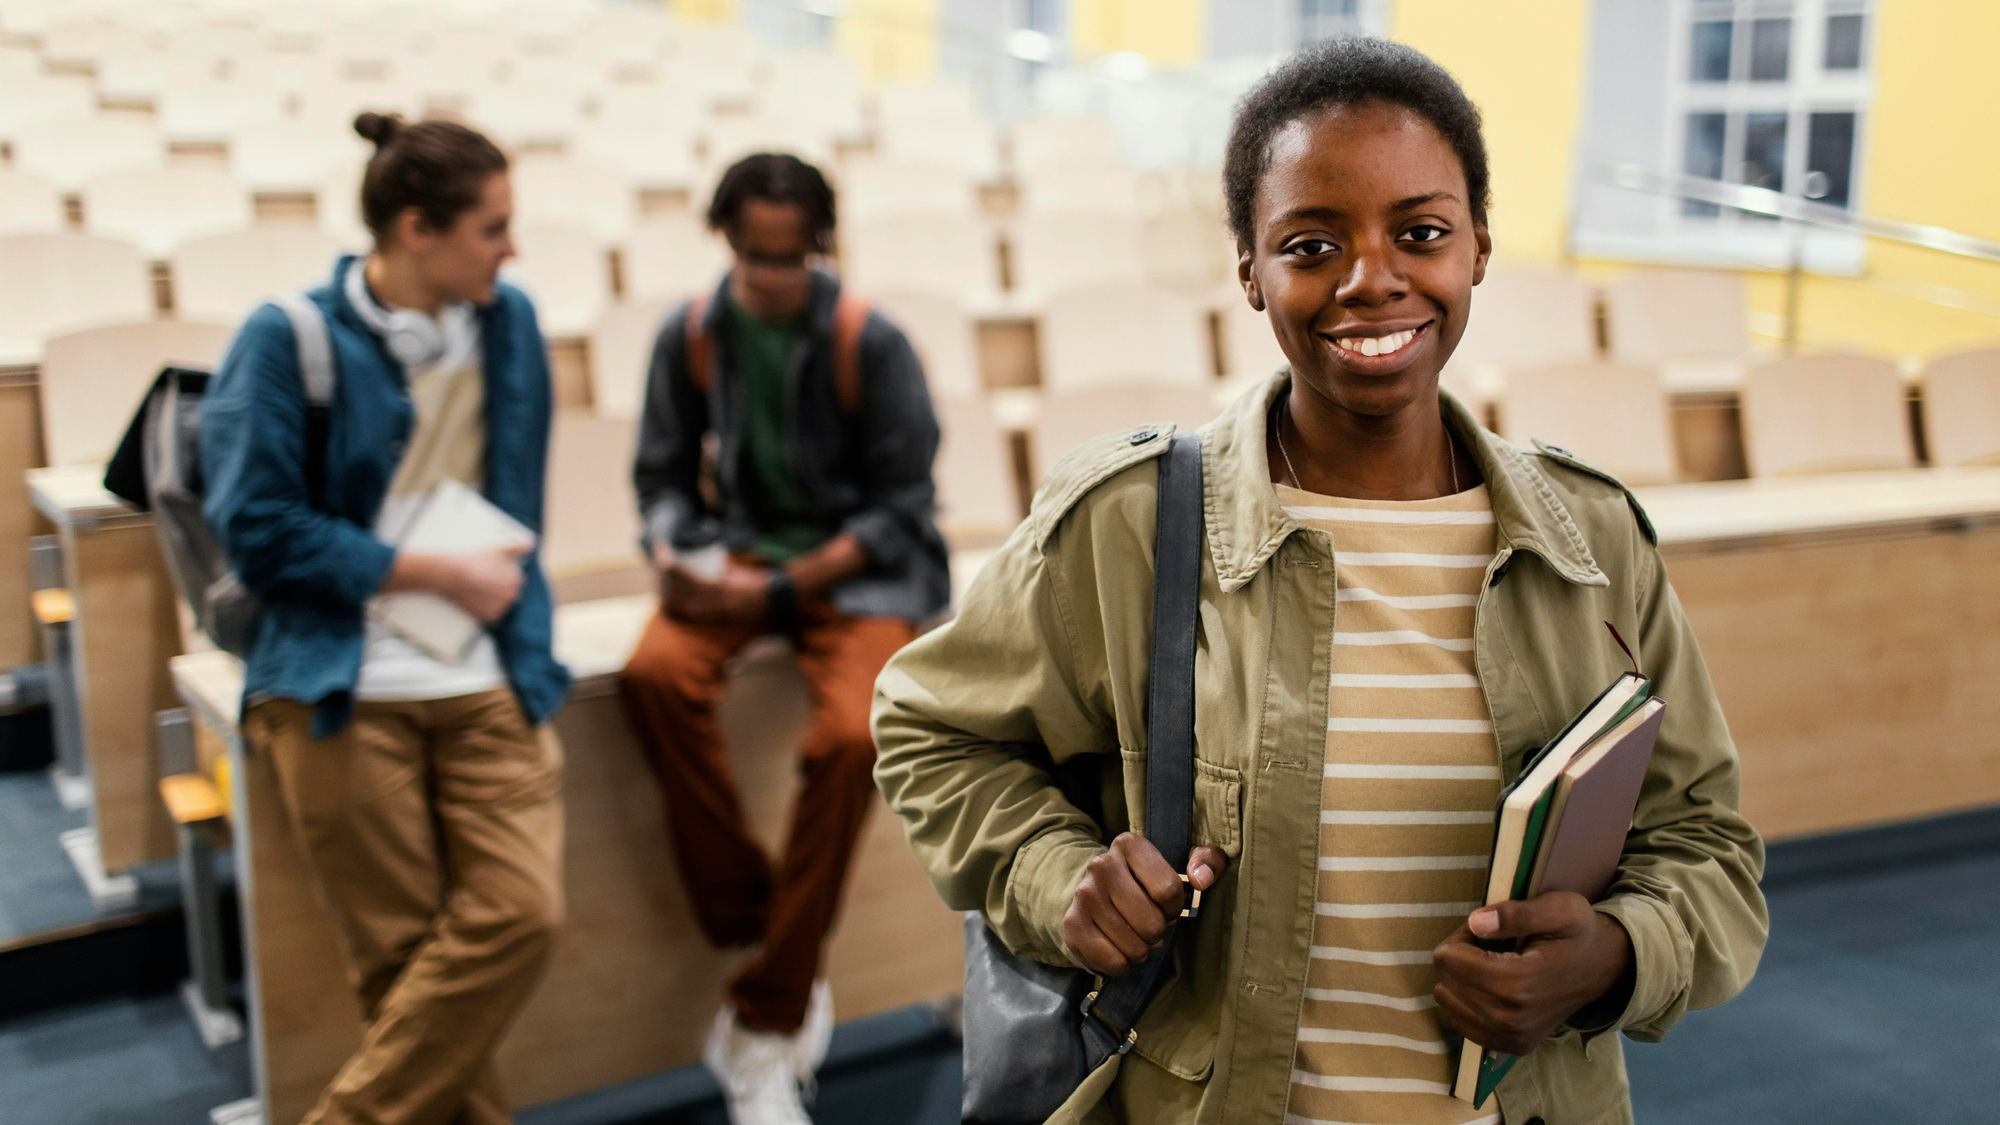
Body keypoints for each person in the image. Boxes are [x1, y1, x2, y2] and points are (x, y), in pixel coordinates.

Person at [873, 38, 1768, 1125]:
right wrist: (1053, 875)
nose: (1370, 279)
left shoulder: (1590, 539)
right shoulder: (1131, 525)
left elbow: (1704, 845)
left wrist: (1620, 954)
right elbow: (930, 729)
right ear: (1249, 270)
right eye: (1309, 244)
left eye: (1420, 232)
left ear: (1477, 246)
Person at [202, 113, 570, 1125]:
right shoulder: (285, 336)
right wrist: (428, 571)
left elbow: (518, 492)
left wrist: (487, 594)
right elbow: (257, 530)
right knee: (405, 971)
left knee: (521, 916)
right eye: (492, 227)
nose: (511, 247)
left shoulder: (511, 323)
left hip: (486, 673)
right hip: (338, 686)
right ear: (419, 228)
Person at [620, 152, 947, 1124]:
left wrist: (781, 588)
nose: (768, 278)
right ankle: (760, 925)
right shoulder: (686, 334)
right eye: (752, 257)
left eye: (788, 258)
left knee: (852, 737)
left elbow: (903, 507)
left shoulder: (870, 340)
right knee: (647, 676)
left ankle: (768, 1007)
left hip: (852, 575)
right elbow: (661, 479)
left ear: (817, 248)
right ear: (725, 242)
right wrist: (674, 553)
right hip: (739, 559)